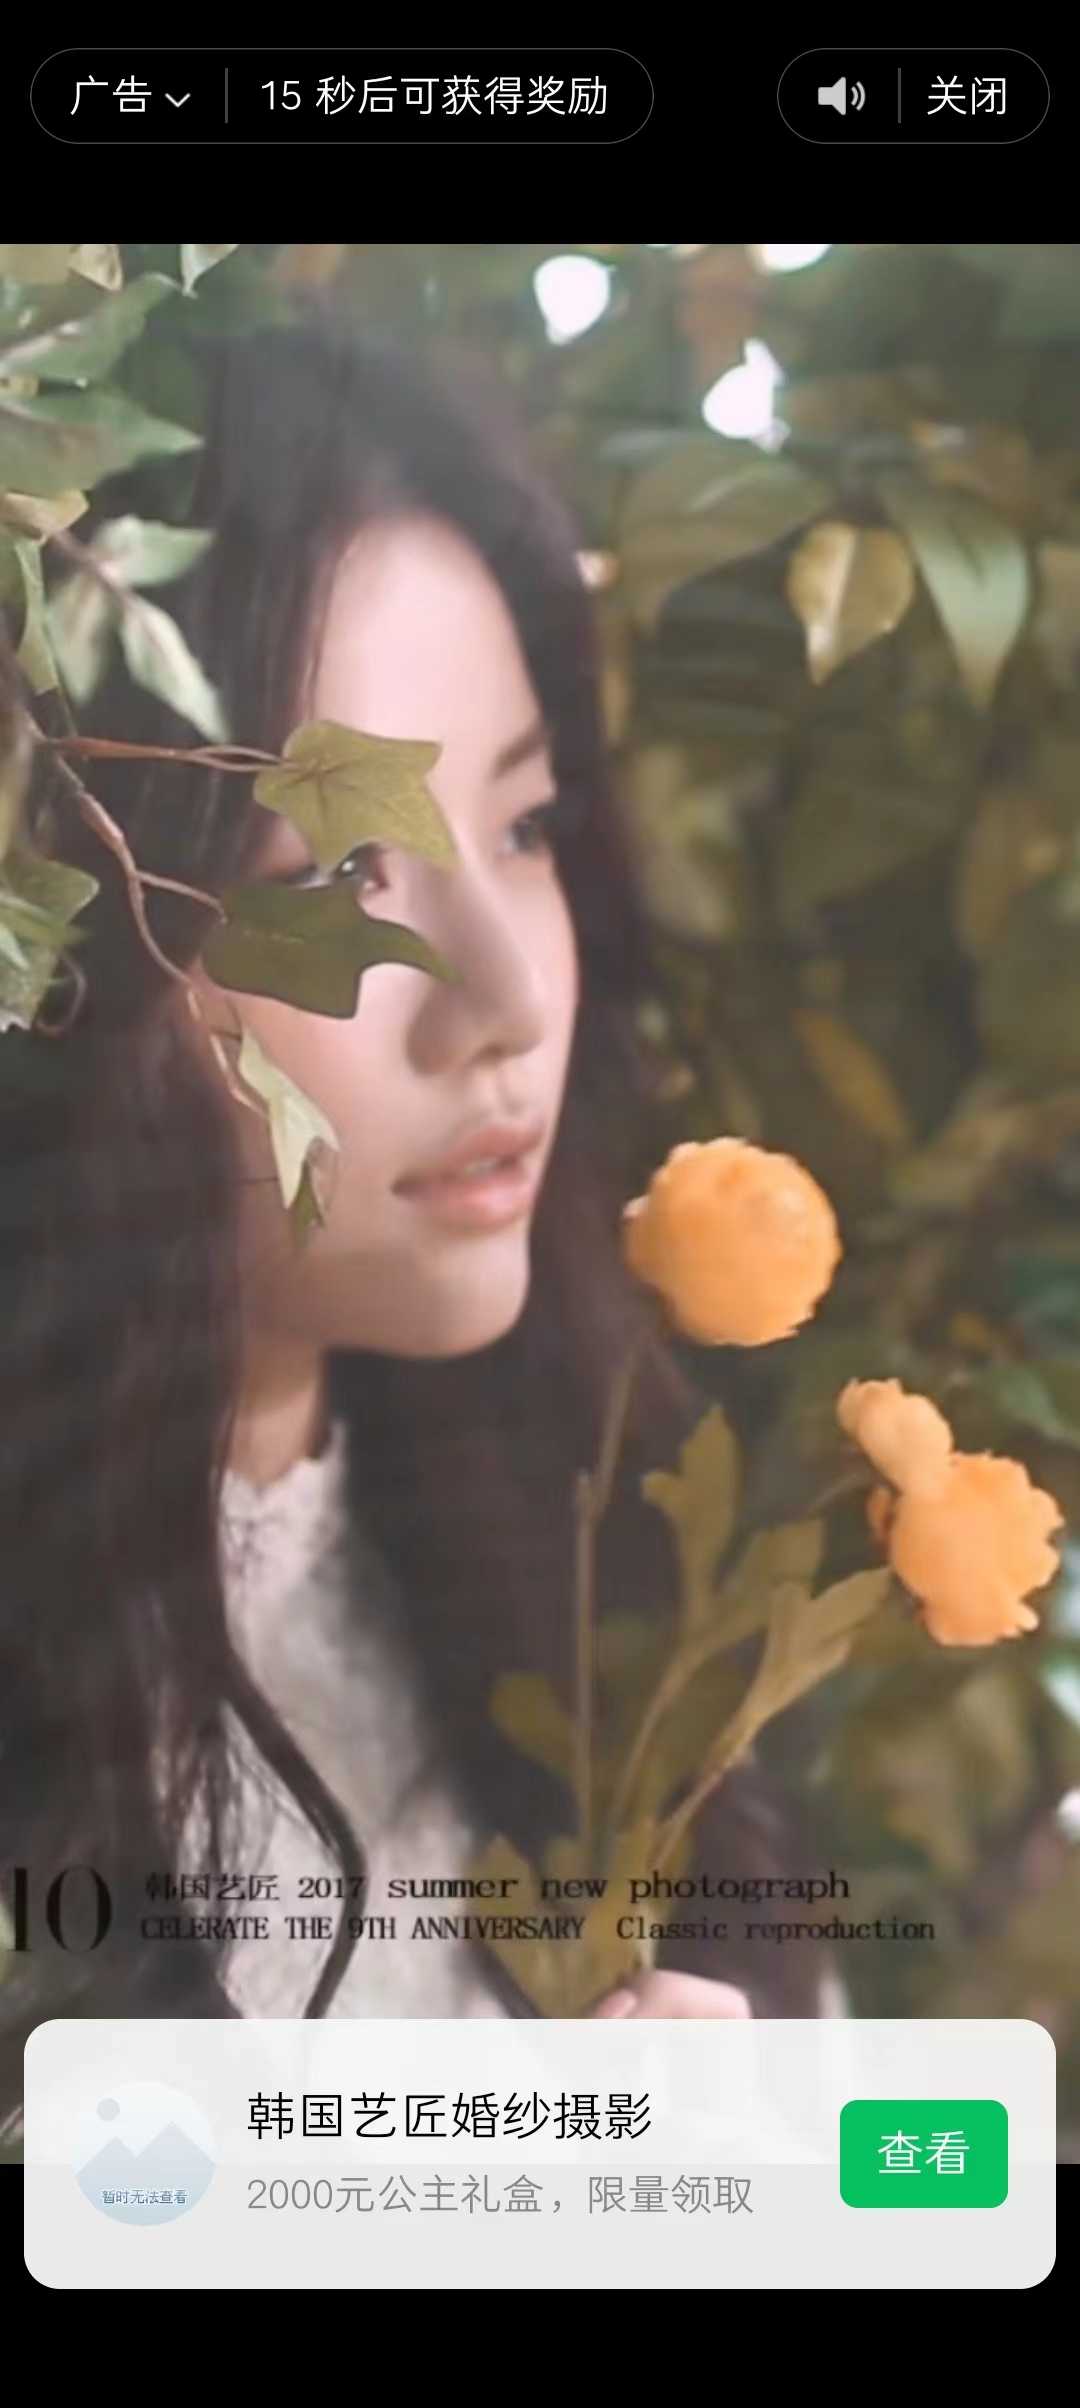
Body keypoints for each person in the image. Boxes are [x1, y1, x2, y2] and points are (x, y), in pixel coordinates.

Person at [0, 294, 831, 2148]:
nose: (507, 1003)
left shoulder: (585, 1557)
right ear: (50, 960)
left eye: (524, 827)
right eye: (340, 877)